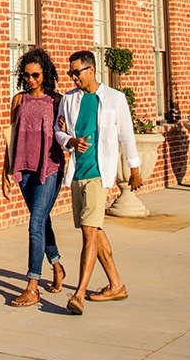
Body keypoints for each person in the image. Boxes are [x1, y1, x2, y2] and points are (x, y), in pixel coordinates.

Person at [55, 50, 141, 315]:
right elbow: (58, 131)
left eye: (76, 72)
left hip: (98, 174)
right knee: (95, 229)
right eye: (70, 73)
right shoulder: (69, 100)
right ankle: (116, 285)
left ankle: (78, 294)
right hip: (77, 173)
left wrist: (134, 168)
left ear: (91, 70)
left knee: (89, 232)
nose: (72, 77)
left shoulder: (114, 99)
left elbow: (126, 135)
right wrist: (69, 140)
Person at [2, 48, 66, 307]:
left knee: (34, 222)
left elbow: (66, 134)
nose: (31, 80)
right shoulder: (19, 100)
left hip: (49, 168)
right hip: (24, 167)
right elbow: (11, 137)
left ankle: (32, 285)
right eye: (26, 75)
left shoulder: (57, 100)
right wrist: (5, 169)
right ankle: (57, 264)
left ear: (45, 74)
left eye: (36, 75)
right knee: (42, 221)